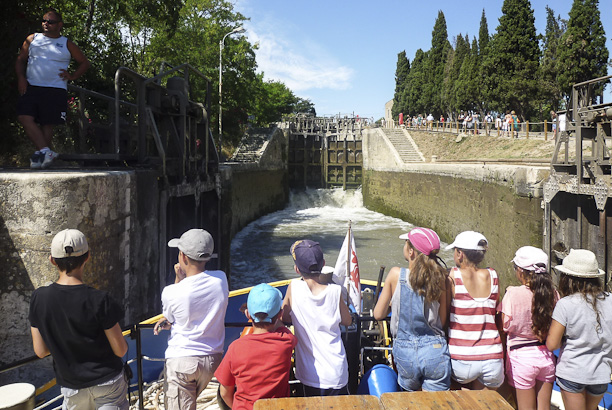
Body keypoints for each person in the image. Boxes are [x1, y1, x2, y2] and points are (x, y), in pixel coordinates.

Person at [29, 229, 129, 409]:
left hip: (72, 387)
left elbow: (41, 351)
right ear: (87, 257)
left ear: (52, 260)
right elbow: (121, 350)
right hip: (107, 383)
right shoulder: (100, 299)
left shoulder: (39, 299)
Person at [154, 229, 229, 410]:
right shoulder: (221, 279)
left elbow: (170, 317)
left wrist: (178, 278)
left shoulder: (171, 292)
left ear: (183, 256)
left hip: (183, 361)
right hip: (212, 358)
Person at [373, 227, 452, 391]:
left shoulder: (396, 275)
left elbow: (378, 314)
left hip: (405, 352)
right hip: (435, 351)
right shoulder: (442, 278)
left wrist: (393, 306)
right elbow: (442, 320)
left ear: (411, 252)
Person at [16, 8, 90, 169]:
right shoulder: (32, 39)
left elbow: (84, 62)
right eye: (44, 21)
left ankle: (43, 160)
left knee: (47, 123)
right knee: (24, 117)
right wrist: (21, 78)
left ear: (60, 25)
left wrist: (73, 76)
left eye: (50, 22)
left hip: (55, 89)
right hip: (32, 86)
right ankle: (46, 151)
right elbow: (21, 60)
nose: (46, 24)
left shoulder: (67, 43)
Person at [282, 239, 353, 396]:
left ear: (296, 269)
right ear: (324, 264)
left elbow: (285, 317)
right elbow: (347, 321)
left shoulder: (293, 288)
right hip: (336, 372)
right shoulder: (335, 291)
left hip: (309, 373)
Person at [547, 249, 612, 410]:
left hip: (572, 373)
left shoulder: (565, 304)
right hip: (601, 374)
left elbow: (552, 344)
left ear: (567, 278)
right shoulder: (610, 300)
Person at [215, 284, 297, 410]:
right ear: (280, 314)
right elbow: (280, 326)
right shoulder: (286, 341)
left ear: (248, 314)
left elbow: (224, 392)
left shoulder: (235, 348)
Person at [500, 247, 558, 410]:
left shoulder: (513, 294)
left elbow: (504, 326)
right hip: (546, 358)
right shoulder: (553, 294)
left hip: (521, 359)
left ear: (520, 271)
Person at [446, 231, 504, 390]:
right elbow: (493, 311)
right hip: (492, 358)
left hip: (463, 358)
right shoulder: (493, 275)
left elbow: (444, 314)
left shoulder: (453, 275)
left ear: (460, 254)